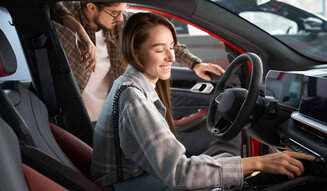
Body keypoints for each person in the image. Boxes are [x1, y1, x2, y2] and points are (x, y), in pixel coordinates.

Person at [91, 12, 315, 191]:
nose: (171, 57)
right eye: (159, 50)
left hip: (137, 184)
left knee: (231, 164)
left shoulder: (130, 84)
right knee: (251, 176)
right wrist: (260, 163)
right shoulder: (134, 99)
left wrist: (255, 164)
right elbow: (180, 173)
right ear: (135, 51)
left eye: (172, 47)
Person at [51, 2, 224, 124]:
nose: (120, 17)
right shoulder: (66, 16)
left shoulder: (124, 23)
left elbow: (162, 43)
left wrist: (195, 65)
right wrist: (78, 31)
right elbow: (48, 6)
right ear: (92, 7)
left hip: (110, 114)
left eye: (123, 9)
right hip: (74, 117)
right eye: (115, 13)